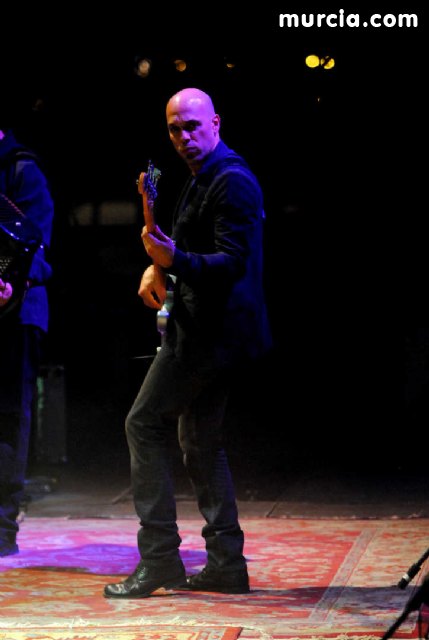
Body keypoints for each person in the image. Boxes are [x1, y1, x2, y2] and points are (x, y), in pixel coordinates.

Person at [104, 87, 272, 598]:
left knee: (143, 424)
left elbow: (232, 264)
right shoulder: (202, 177)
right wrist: (160, 266)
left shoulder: (232, 180)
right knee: (199, 441)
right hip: (211, 330)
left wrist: (174, 261)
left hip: (210, 335)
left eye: (193, 126)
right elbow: (189, 250)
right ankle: (226, 563)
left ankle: (159, 559)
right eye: (175, 129)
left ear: (216, 123)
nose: (183, 137)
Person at [0, 123, 54, 557]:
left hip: (17, 312)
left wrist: (10, 280)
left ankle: (2, 527)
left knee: (7, 419)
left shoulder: (21, 169)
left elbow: (36, 244)